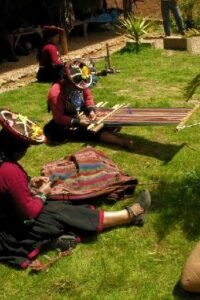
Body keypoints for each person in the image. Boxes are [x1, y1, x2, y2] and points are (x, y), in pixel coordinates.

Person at [0, 109, 151, 269]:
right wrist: (42, 194)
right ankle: (130, 215)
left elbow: (7, 187)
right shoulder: (8, 170)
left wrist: (30, 182)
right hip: (10, 232)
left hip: (7, 218)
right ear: (16, 148)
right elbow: (29, 212)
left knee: (58, 207)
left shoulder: (3, 161)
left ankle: (55, 239)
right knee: (59, 212)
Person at [44, 58, 133, 149]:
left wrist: (91, 110)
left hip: (82, 112)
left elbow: (88, 97)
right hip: (66, 121)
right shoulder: (55, 93)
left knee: (110, 122)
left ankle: (110, 132)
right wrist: (77, 122)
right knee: (90, 133)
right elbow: (59, 117)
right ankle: (120, 142)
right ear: (68, 80)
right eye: (77, 88)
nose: (80, 90)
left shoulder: (81, 82)